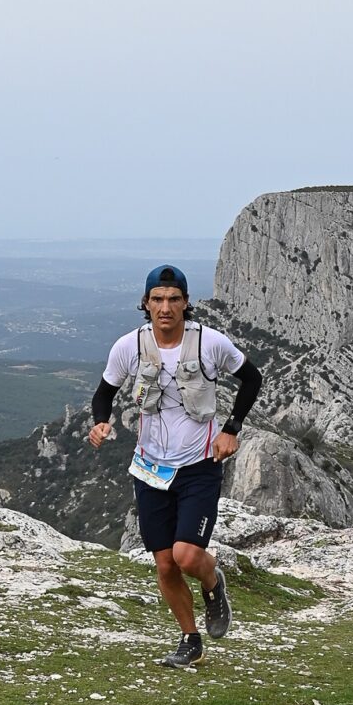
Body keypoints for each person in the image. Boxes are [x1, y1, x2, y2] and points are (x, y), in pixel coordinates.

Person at [89, 264, 262, 668]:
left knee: (186, 555)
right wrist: (100, 422)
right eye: (157, 299)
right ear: (146, 304)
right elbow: (104, 393)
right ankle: (190, 639)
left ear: (186, 303)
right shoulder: (128, 346)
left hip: (199, 465)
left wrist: (231, 429)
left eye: (173, 299)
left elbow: (252, 379)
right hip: (150, 468)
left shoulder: (211, 344)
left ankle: (211, 579)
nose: (165, 307)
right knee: (164, 562)